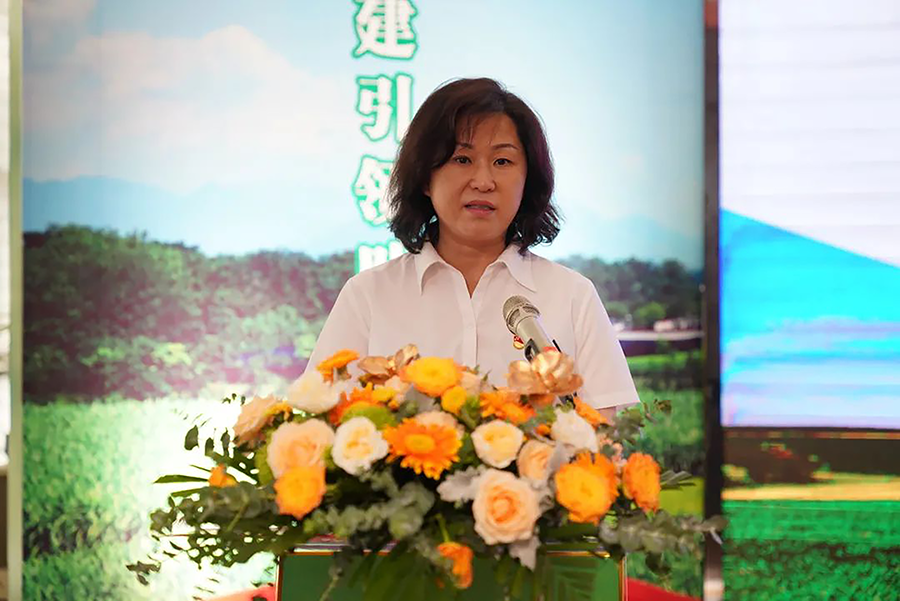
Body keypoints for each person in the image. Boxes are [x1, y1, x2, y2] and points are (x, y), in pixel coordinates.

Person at [307, 78, 639, 416]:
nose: (483, 181)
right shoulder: (368, 296)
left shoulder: (572, 297)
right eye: (462, 159)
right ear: (425, 177)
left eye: (502, 162)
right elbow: (319, 424)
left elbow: (607, 434)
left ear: (528, 180)